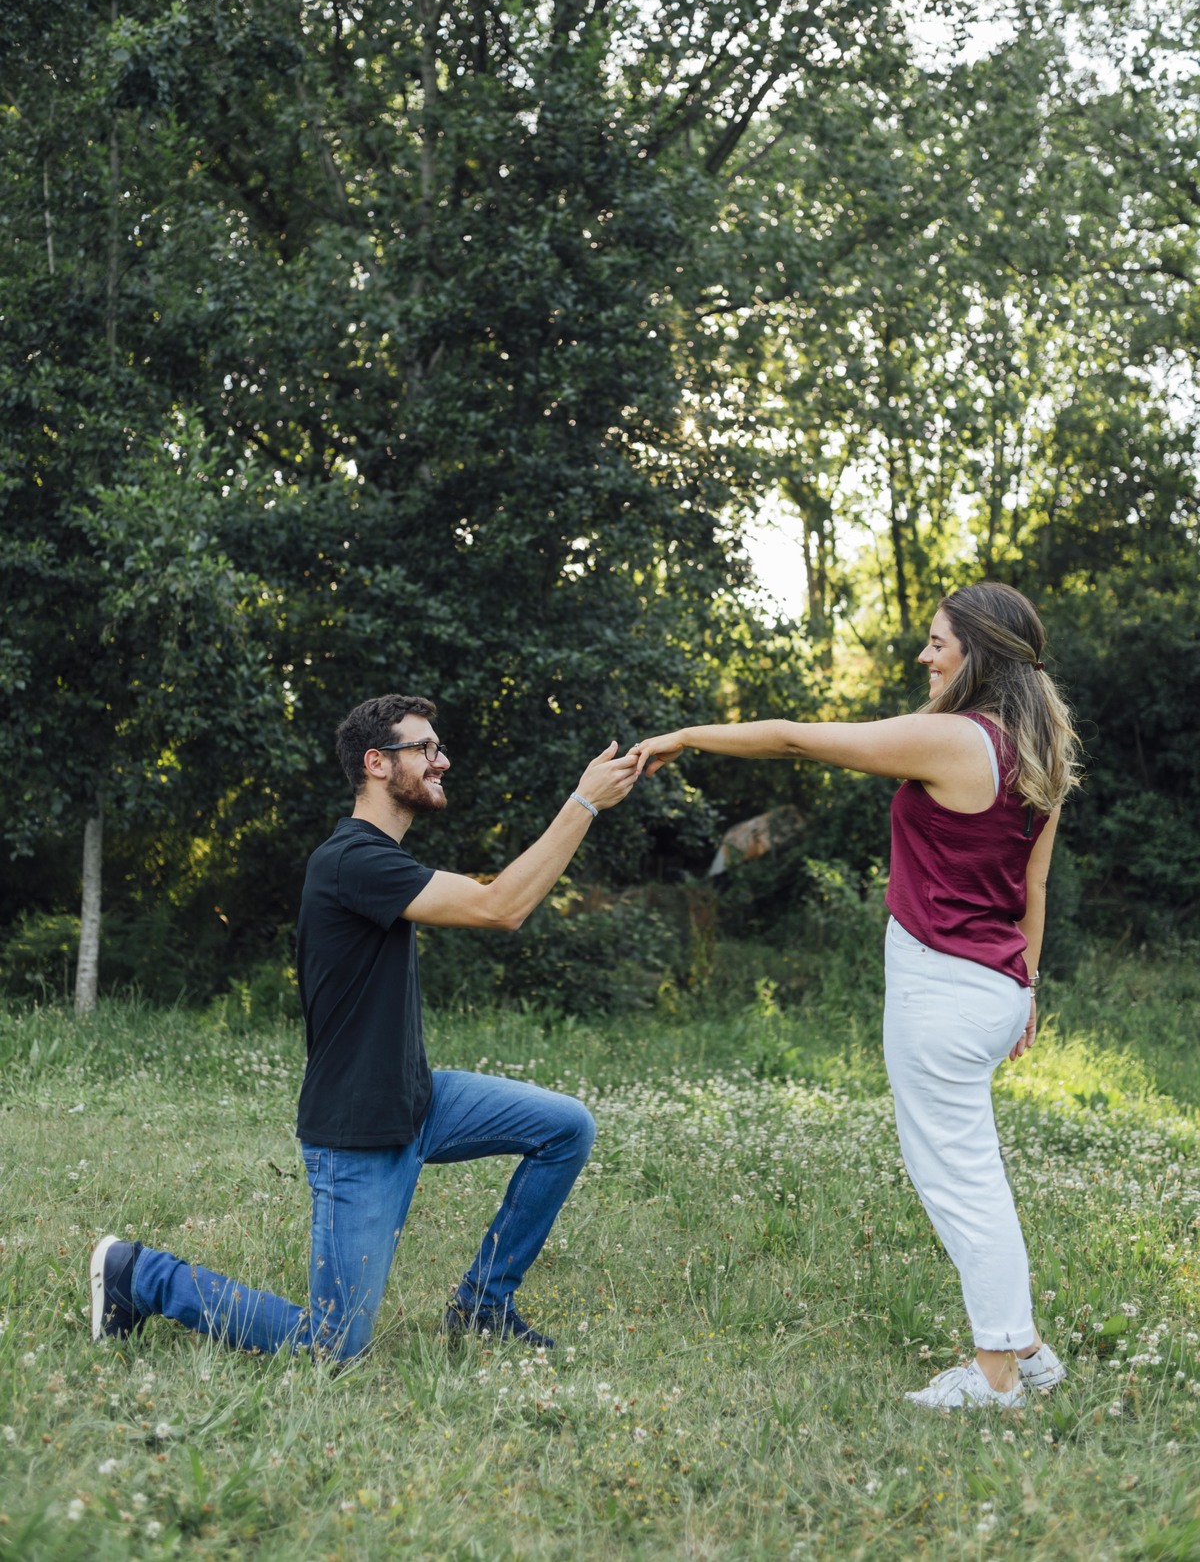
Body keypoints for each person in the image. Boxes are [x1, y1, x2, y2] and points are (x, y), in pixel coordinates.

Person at [633, 582, 1081, 1409]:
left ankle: (995, 1374)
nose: (925, 654)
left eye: (939, 640)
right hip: (994, 986)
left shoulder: (954, 737)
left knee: (959, 1179)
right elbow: (1035, 887)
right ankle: (1028, 1349)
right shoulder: (1038, 747)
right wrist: (1027, 986)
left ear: (978, 650)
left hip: (943, 990)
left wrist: (688, 735)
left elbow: (799, 742)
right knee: (972, 1171)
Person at [90, 693, 639, 1361]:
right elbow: (502, 907)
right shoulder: (351, 861)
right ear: (377, 764)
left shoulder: (382, 862)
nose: (442, 760)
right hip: (359, 1132)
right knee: (333, 1344)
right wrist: (582, 803)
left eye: (438, 747)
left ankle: (482, 1305)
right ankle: (136, 1274)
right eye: (425, 749)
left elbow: (495, 898)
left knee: (566, 1127)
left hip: (418, 1102)